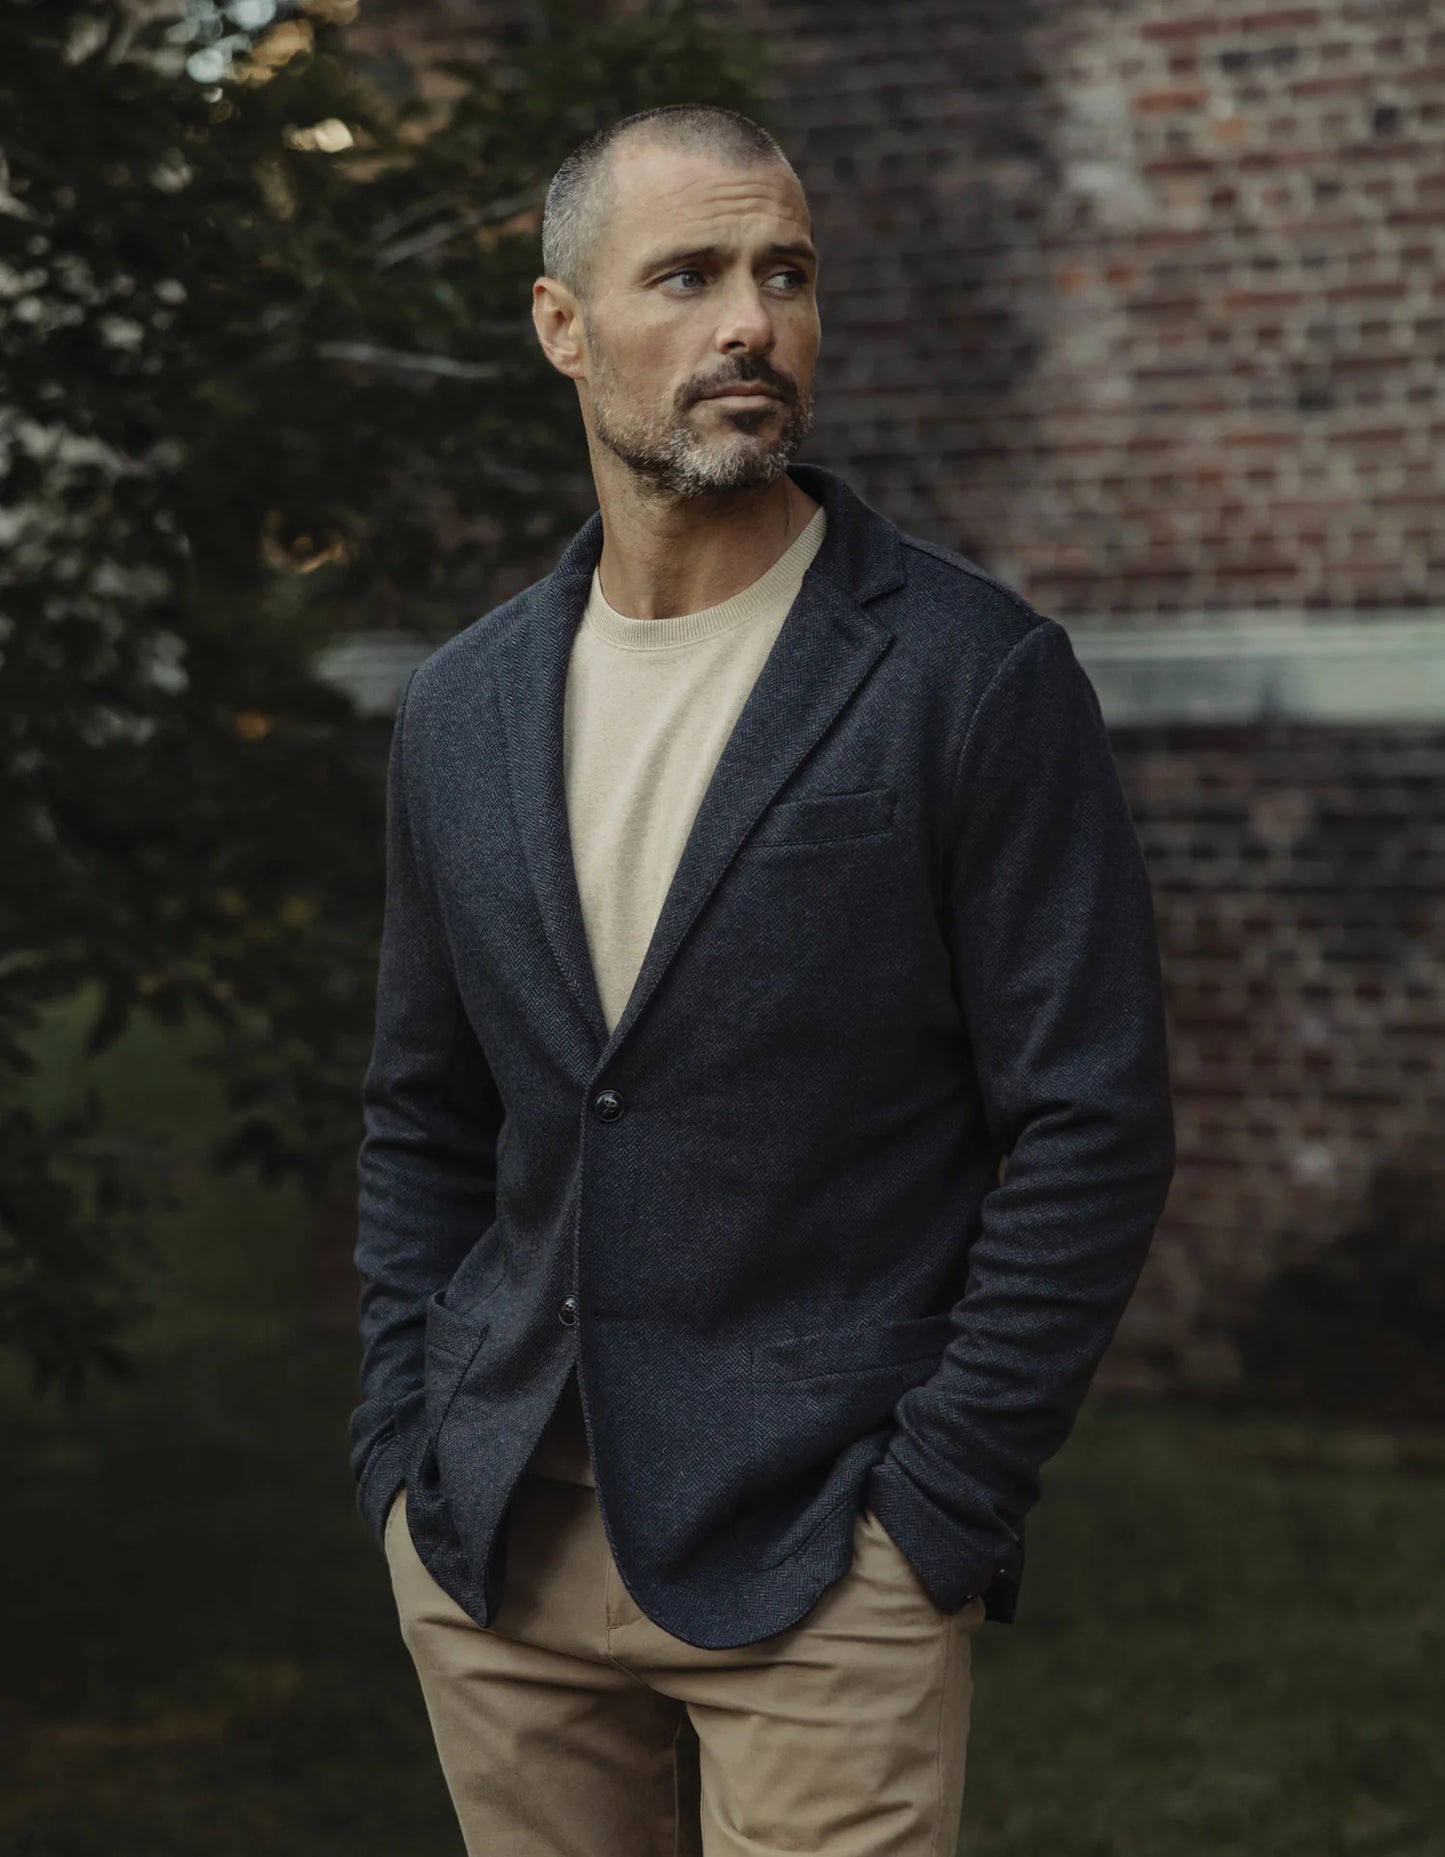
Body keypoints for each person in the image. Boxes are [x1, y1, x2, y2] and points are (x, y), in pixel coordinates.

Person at [350, 102, 1176, 1857]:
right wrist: (400, 1459)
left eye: (783, 273)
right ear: (563, 328)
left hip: (827, 1561)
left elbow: (1088, 1127)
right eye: (692, 275)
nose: (753, 321)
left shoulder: (967, 677)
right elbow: (424, 1118)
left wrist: (932, 1513)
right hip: (498, 1542)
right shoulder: (464, 709)